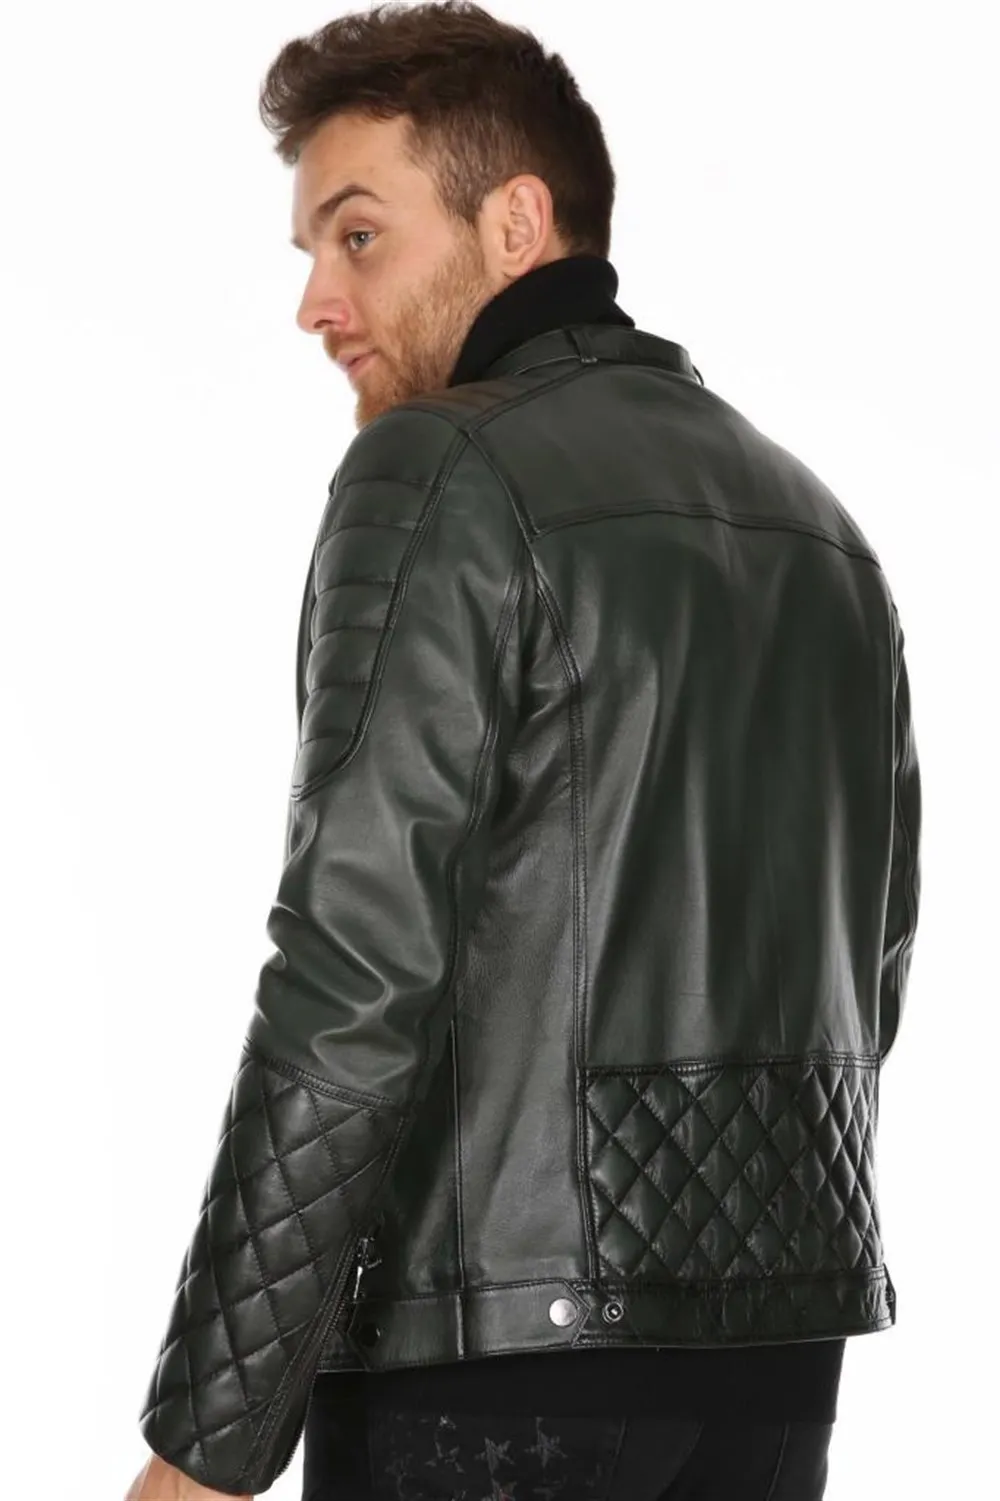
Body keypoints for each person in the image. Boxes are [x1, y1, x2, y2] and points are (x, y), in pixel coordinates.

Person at [126, 4, 922, 1499]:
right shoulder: (821, 529)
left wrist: (208, 1444)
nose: (316, 300)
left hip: (487, 1367)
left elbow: (353, 976)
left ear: (515, 222)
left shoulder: (438, 468)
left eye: (358, 236)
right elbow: (871, 956)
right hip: (774, 1368)